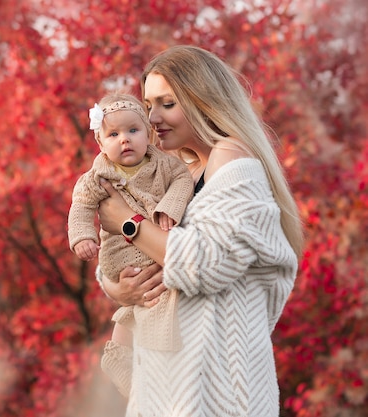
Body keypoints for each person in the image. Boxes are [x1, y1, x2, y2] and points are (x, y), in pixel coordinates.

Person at [95, 45, 304, 416]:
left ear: (202, 101)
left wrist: (128, 221)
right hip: (169, 394)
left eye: (167, 103)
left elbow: (205, 264)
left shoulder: (234, 160)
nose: (152, 116)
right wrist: (120, 288)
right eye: (148, 104)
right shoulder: (173, 172)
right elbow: (119, 256)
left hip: (220, 397)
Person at [67, 93, 194, 397]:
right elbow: (81, 206)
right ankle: (127, 362)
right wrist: (82, 236)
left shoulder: (164, 164)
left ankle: (132, 365)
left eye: (133, 131)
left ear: (148, 134)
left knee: (149, 303)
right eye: (113, 134)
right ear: (100, 143)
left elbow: (182, 181)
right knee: (137, 299)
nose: (124, 140)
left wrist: (171, 208)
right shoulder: (97, 175)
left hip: (154, 251)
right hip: (120, 254)